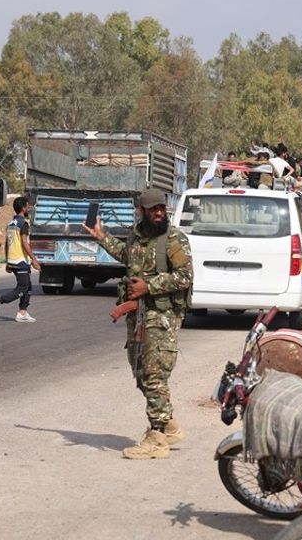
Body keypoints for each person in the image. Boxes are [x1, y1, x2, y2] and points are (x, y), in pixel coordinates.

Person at [84, 188, 193, 460]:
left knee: (154, 375)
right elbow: (127, 255)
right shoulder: (137, 235)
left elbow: (185, 276)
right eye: (153, 209)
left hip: (163, 316)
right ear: (141, 211)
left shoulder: (174, 239)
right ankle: (168, 423)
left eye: (161, 208)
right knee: (140, 372)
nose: (159, 213)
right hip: (139, 315)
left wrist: (149, 286)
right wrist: (102, 237)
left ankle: (156, 437)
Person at [0, 196, 40, 323]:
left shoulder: (11, 223)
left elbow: (6, 243)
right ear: (23, 208)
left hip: (13, 260)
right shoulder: (23, 224)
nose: (29, 208)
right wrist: (34, 259)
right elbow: (24, 243)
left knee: (28, 287)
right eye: (27, 206)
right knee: (22, 287)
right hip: (20, 260)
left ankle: (23, 312)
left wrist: (7, 262)